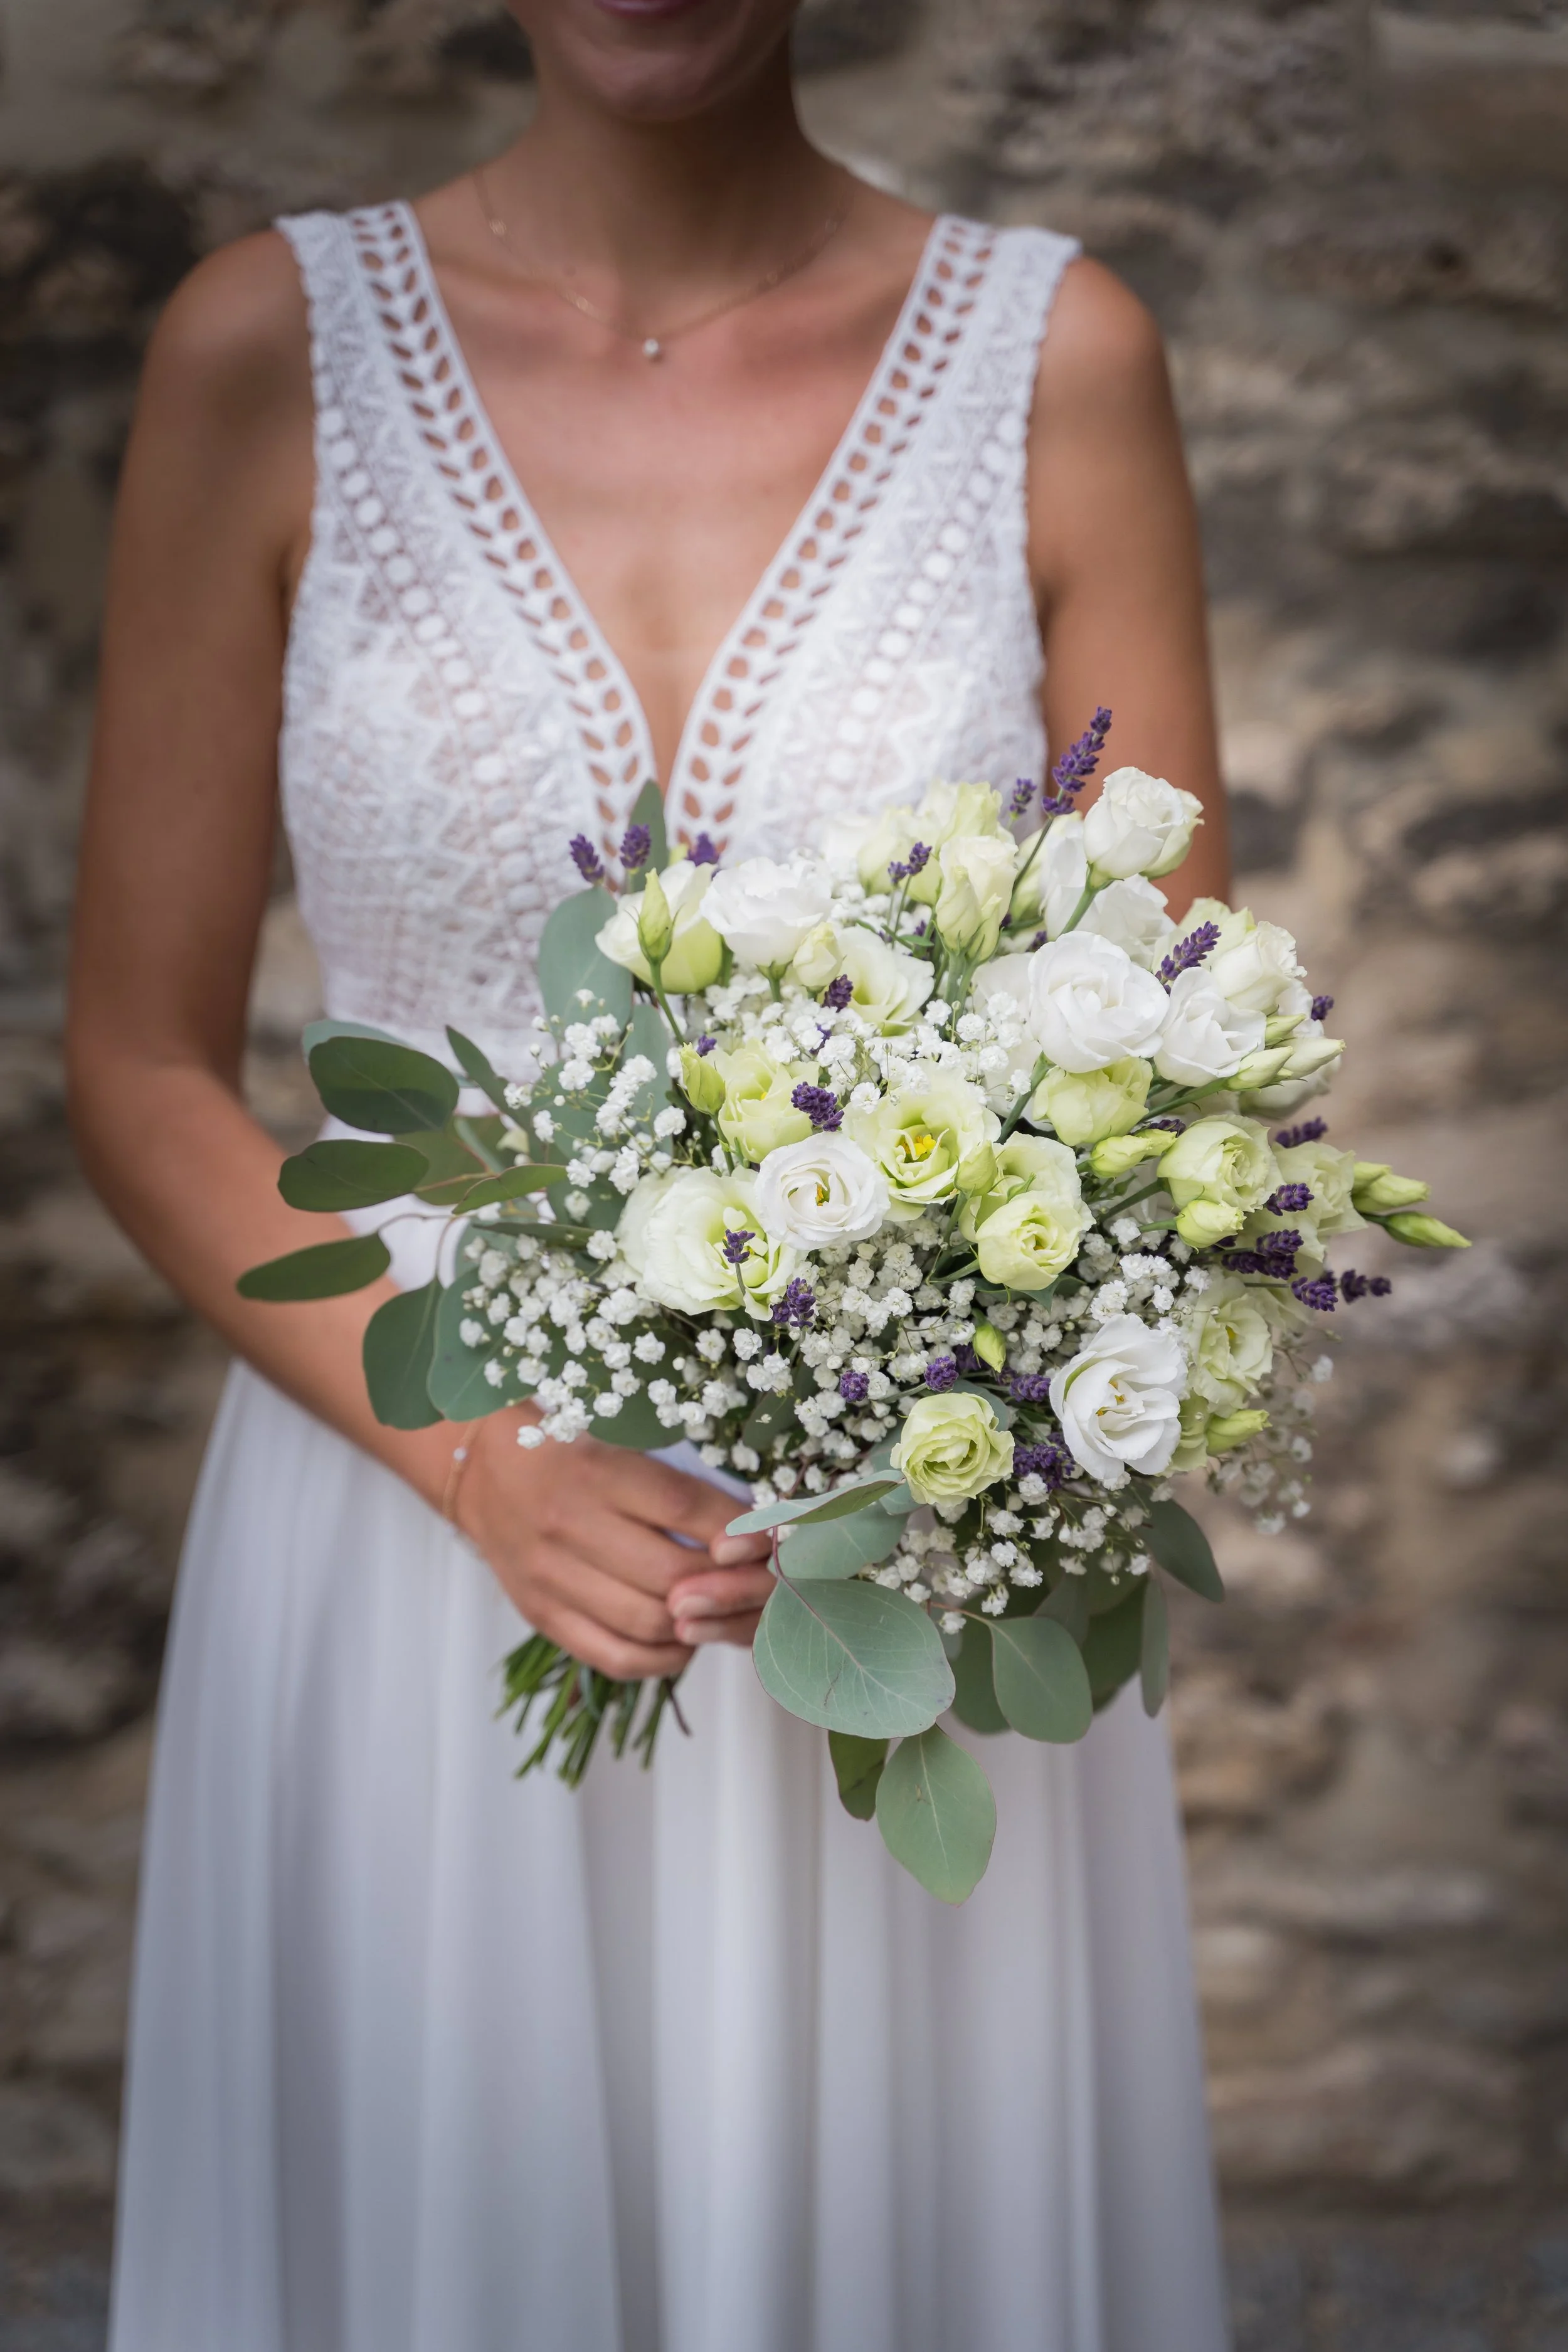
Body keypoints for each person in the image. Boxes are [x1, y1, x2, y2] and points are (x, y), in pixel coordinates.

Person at [70, 1, 1234, 2345]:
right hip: (409, 1497)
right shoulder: (261, 351)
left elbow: (1168, 1042)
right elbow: (137, 1057)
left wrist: (947, 1398)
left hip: (904, 1516)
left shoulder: (1056, 355)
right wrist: (478, 1460)